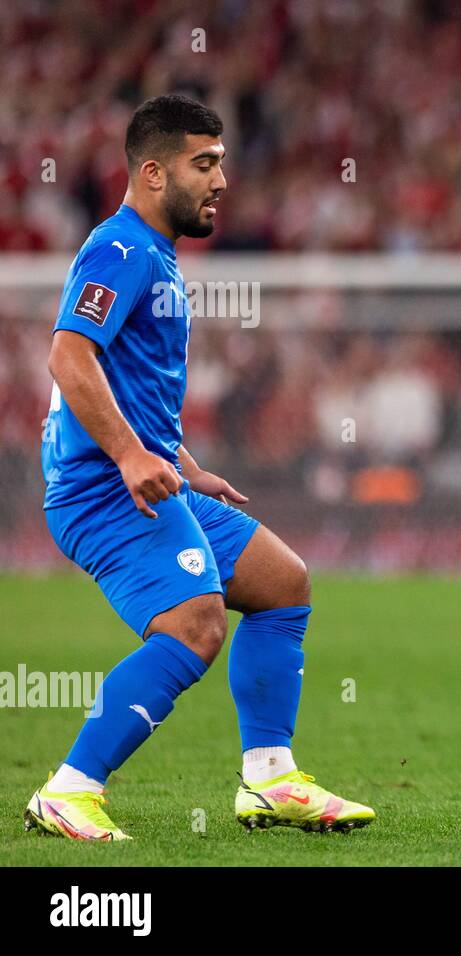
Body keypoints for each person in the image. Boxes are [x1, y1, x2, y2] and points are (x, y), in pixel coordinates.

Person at [25, 94, 374, 841]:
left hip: (145, 477)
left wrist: (182, 461)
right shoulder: (119, 250)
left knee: (282, 584)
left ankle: (271, 779)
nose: (222, 180)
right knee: (197, 626)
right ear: (153, 173)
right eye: (204, 164)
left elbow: (131, 384)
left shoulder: (157, 257)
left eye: (222, 162)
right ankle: (69, 789)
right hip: (100, 491)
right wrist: (126, 455)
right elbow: (69, 354)